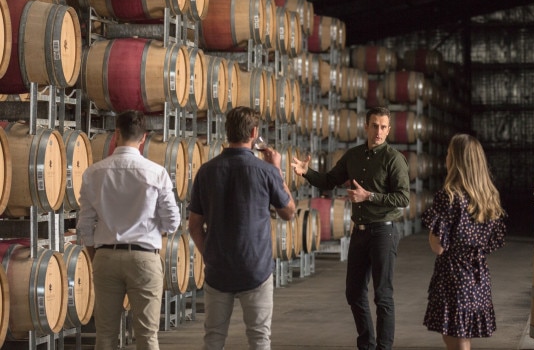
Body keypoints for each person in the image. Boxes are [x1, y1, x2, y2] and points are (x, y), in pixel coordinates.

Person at [291, 106, 410, 350]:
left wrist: (369, 197)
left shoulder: (394, 159)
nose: (379, 131)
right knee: (353, 292)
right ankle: (366, 344)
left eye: (384, 127)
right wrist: (306, 173)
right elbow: (329, 181)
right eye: (375, 125)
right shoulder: (352, 156)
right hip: (360, 232)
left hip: (383, 233)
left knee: (383, 295)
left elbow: (403, 198)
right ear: (366, 126)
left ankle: (383, 347)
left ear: (388, 129)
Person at [187, 106, 296, 350]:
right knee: (259, 339)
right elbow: (289, 212)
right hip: (255, 268)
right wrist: (277, 169)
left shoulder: (206, 172)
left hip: (218, 270)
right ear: (254, 132)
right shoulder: (266, 171)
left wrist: (211, 255)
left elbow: (194, 226)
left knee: (214, 338)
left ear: (227, 132)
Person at [77, 110, 181, 350]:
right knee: (147, 336)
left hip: (106, 256)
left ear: (116, 134)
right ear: (143, 138)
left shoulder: (94, 172)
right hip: (145, 257)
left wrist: (96, 255)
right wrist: (155, 226)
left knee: (105, 335)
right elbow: (173, 222)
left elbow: (84, 224)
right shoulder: (157, 173)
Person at [420, 133, 507, 350]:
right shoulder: (488, 197)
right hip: (477, 274)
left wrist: (434, 228)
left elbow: (438, 247)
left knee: (456, 340)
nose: (446, 157)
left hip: (453, 276)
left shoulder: (449, 197)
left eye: (449, 153)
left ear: (456, 161)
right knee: (461, 337)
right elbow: (491, 241)